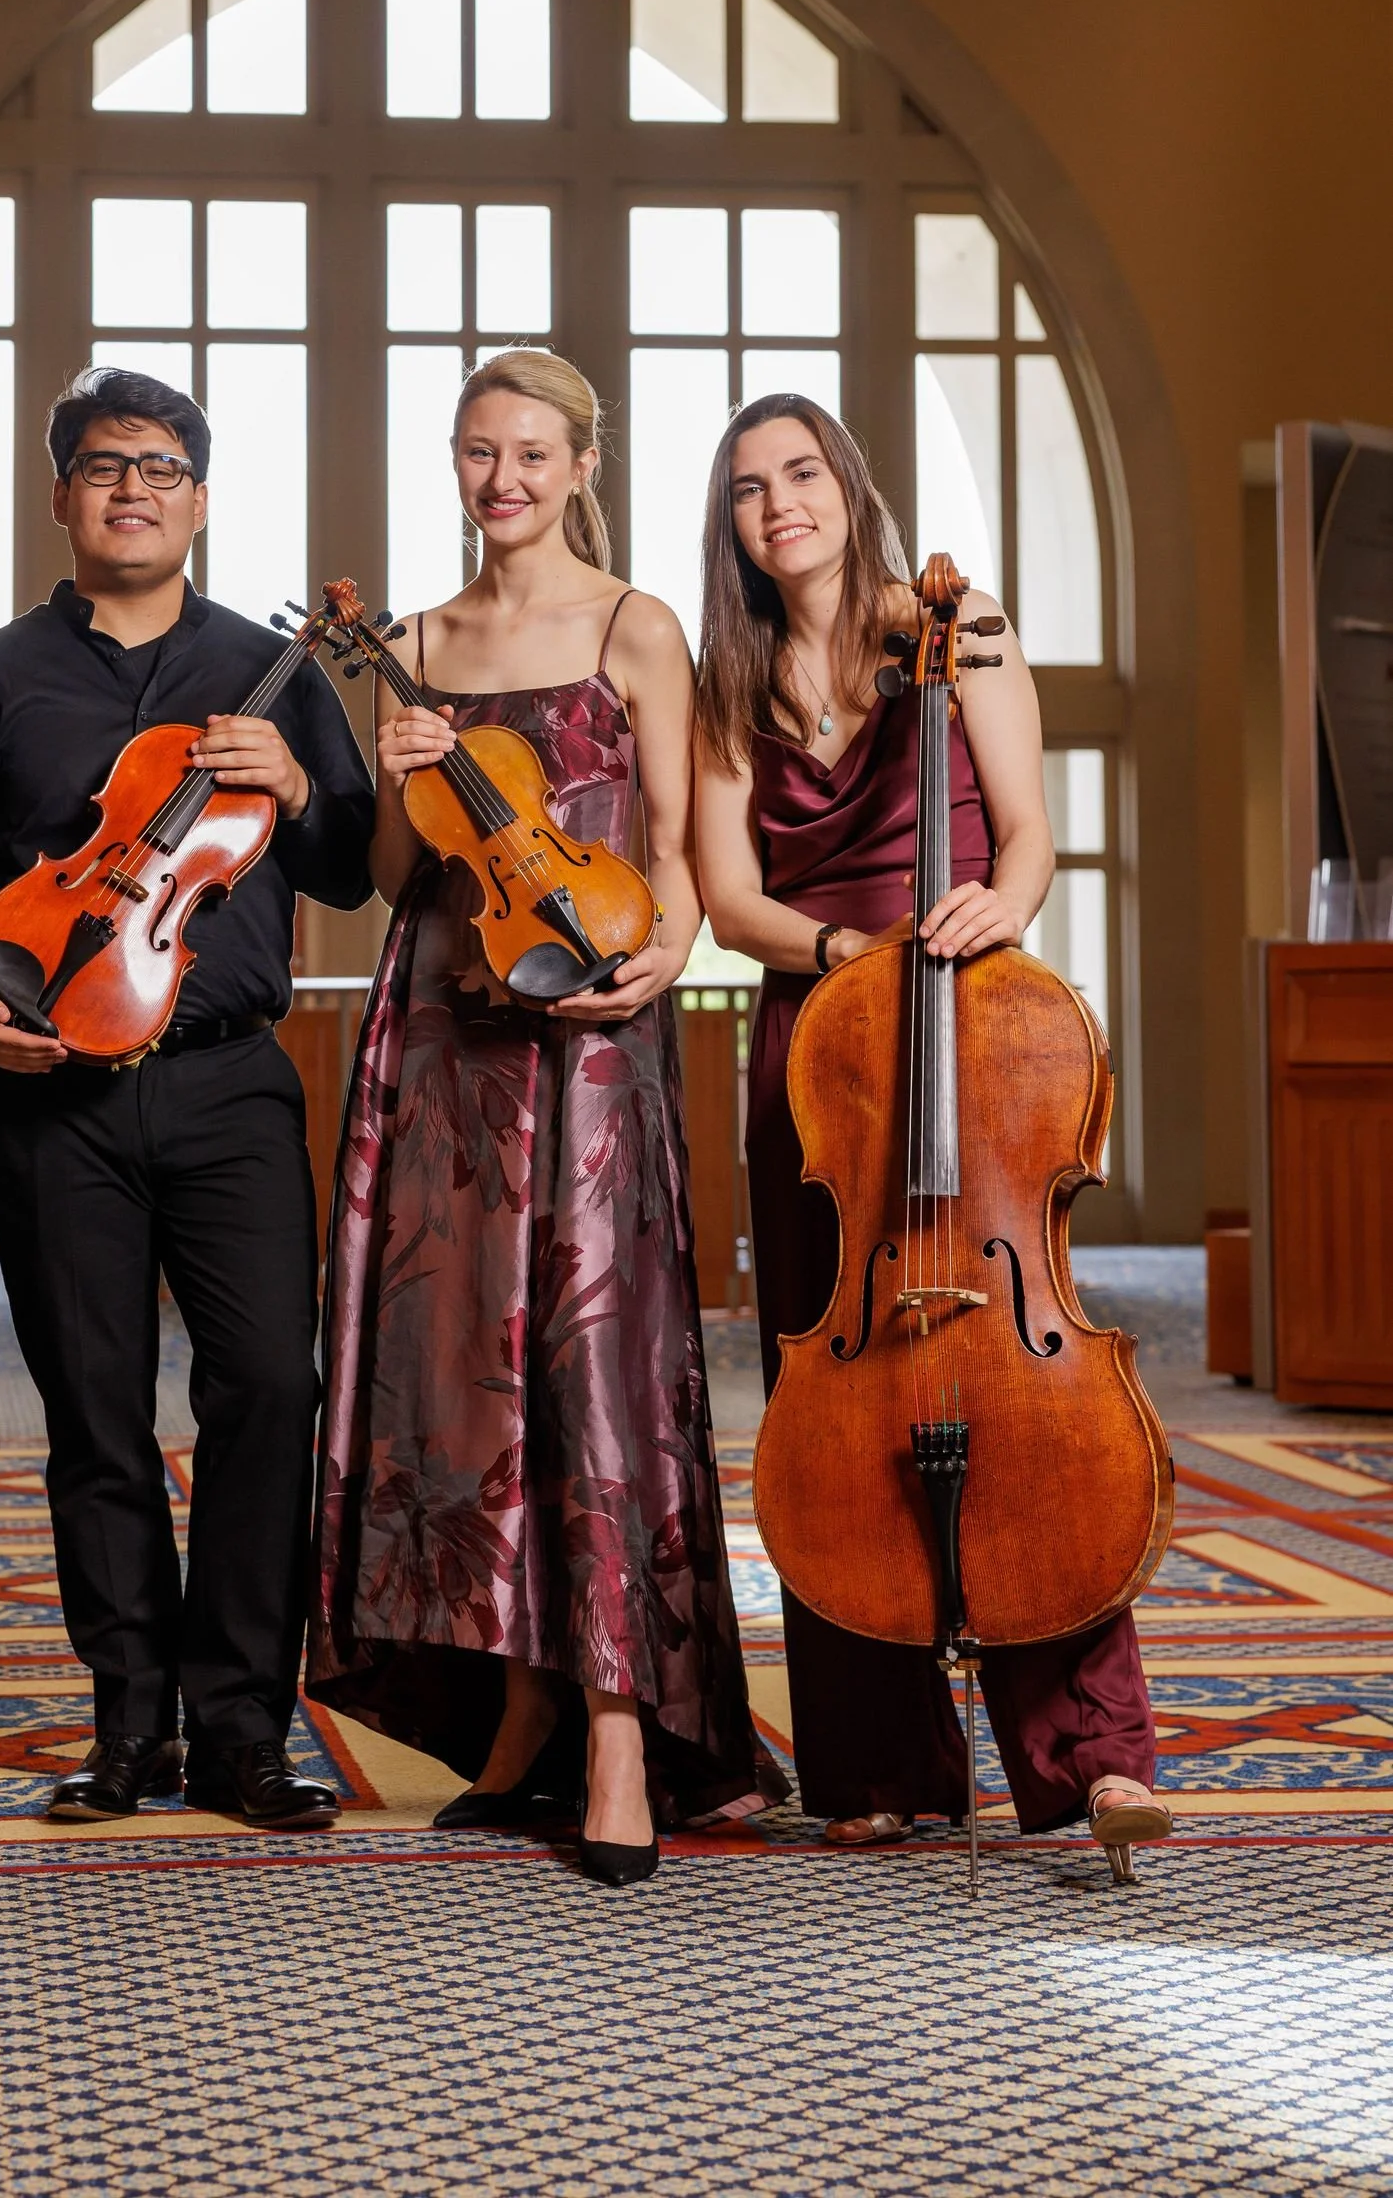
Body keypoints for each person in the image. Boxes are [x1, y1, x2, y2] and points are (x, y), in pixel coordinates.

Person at [0, 364, 376, 1831]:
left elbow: (349, 867)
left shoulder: (273, 676)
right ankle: (127, 1726)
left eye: (161, 467)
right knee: (93, 1416)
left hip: (228, 1090)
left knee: (267, 1394)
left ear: (202, 502)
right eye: (105, 467)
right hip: (52, 1101)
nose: (134, 489)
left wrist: (299, 776)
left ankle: (237, 1730)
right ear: (62, 498)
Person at [308, 349, 784, 1889]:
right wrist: (396, 773)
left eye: (527, 453)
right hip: (445, 1030)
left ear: (583, 464)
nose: (498, 479)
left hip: (589, 1035)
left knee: (598, 1367)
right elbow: (400, 872)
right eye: (472, 452)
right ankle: (515, 1710)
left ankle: (624, 1730)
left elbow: (688, 857)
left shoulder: (640, 627)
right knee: (458, 1380)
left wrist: (653, 965)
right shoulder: (426, 641)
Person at [691, 390, 1171, 1861]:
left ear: (849, 486)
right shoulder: (729, 685)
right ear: (734, 526)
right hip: (823, 1045)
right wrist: (842, 958)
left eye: (804, 474)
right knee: (845, 1398)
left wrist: (993, 910)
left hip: (965, 1012)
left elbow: (1019, 836)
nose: (784, 505)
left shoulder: (964, 630)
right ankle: (878, 1760)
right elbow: (727, 897)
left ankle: (1089, 1755)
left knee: (1029, 1393)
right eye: (752, 488)